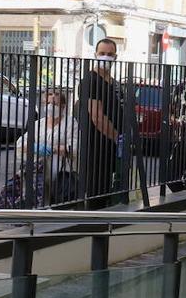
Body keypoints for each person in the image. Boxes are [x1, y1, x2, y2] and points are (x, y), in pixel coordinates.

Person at [77, 38, 124, 206]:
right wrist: (118, 138)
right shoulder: (90, 80)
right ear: (95, 55)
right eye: (102, 53)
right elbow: (97, 117)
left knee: (111, 190)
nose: (106, 57)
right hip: (98, 147)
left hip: (112, 147)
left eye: (110, 54)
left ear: (115, 57)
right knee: (98, 191)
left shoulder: (114, 83)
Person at [16, 90, 79, 206]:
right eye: (48, 103)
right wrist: (35, 147)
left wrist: (53, 149)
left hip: (60, 172)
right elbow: (20, 144)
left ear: (63, 106)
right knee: (39, 202)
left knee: (59, 203)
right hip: (39, 172)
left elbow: (74, 147)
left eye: (55, 104)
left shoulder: (70, 123)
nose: (50, 107)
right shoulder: (38, 124)